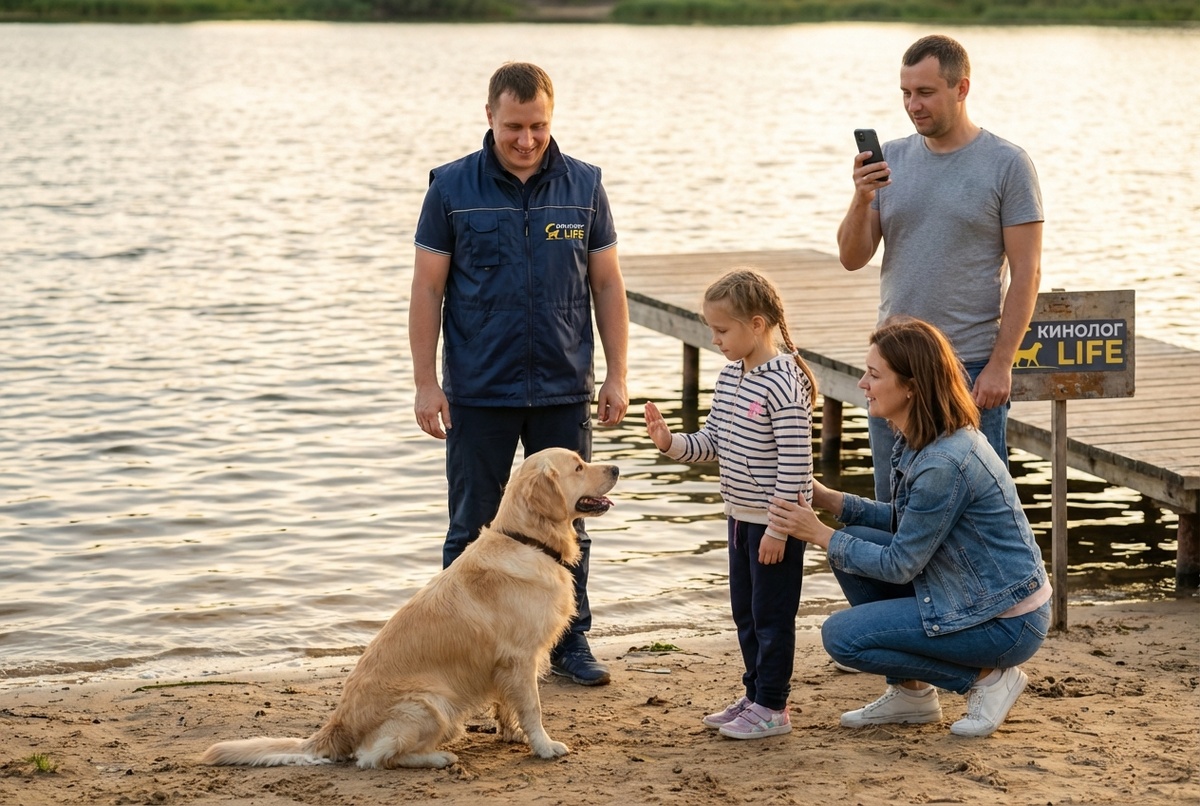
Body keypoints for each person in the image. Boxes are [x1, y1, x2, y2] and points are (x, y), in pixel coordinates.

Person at [409, 61, 629, 687]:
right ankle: (453, 648)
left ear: (551, 119)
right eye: (514, 127)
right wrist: (427, 382)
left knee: (571, 522)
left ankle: (569, 643)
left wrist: (617, 375)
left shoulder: (584, 185)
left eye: (537, 126)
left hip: (563, 384)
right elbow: (427, 291)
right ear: (489, 117)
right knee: (472, 525)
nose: (527, 140)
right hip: (478, 390)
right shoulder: (451, 188)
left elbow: (608, 283)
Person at [768, 317, 1051, 738]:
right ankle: (911, 695)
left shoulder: (944, 462)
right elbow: (908, 521)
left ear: (912, 387)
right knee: (855, 544)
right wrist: (835, 502)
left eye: (874, 374)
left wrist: (820, 533)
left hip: (1005, 621)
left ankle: (987, 680)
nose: (862, 383)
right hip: (970, 592)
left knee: (842, 638)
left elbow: (901, 563)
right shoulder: (925, 436)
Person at [836, 33, 1044, 502]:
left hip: (967, 369)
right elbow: (852, 258)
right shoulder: (891, 159)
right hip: (894, 366)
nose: (913, 105)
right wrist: (861, 196)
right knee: (895, 508)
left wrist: (1000, 365)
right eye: (906, 93)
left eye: (925, 93)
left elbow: (1027, 273)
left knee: (977, 513)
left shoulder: (1007, 164)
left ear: (961, 88)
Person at [644, 268, 816, 740]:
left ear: (756, 325)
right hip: (739, 518)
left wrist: (780, 530)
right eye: (711, 330)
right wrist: (670, 443)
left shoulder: (784, 383)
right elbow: (714, 441)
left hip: (773, 524)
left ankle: (773, 707)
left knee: (772, 617)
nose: (715, 339)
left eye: (722, 330)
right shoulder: (729, 377)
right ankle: (755, 691)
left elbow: (797, 465)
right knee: (746, 612)